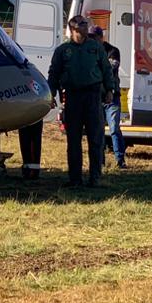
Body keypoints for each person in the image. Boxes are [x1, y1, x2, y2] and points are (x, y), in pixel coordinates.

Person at [47, 15, 117, 187]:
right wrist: (51, 95)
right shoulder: (63, 50)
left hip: (93, 96)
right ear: (74, 29)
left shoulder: (95, 47)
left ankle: (95, 177)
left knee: (96, 138)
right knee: (73, 140)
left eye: (86, 24)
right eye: (83, 25)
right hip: (73, 96)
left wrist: (109, 89)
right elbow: (54, 73)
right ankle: (75, 178)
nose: (87, 28)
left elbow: (106, 69)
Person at [90, 25, 126, 170]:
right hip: (97, 97)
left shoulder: (113, 51)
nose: (92, 40)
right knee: (98, 130)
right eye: (90, 37)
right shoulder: (89, 51)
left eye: (94, 37)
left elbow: (111, 68)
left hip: (112, 96)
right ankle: (101, 161)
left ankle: (120, 159)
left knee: (114, 129)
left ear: (101, 37)